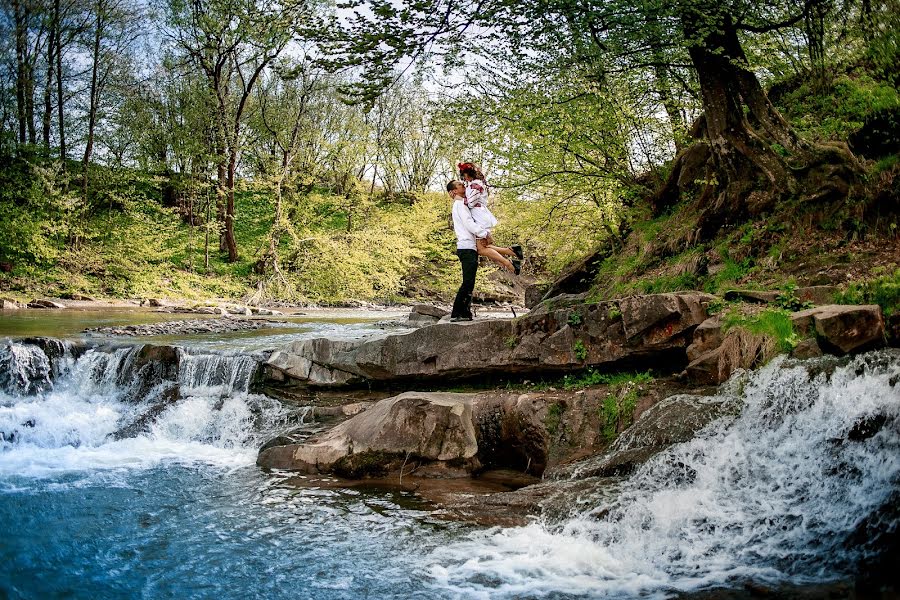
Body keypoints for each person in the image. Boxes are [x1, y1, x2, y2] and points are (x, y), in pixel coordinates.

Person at [457, 162, 523, 274]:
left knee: (481, 249)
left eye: (464, 175)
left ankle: (510, 263)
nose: (464, 178)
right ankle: (511, 251)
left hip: (479, 216)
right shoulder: (474, 183)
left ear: (468, 174)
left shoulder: (476, 185)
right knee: (484, 245)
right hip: (479, 215)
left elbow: (471, 202)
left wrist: (459, 199)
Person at [448, 180, 483, 321]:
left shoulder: (462, 204)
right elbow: (469, 224)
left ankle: (465, 313)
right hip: (466, 247)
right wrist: (484, 233)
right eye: (460, 185)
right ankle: (457, 313)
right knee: (468, 282)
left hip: (469, 247)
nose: (464, 186)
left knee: (470, 281)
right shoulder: (459, 205)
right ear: (454, 191)